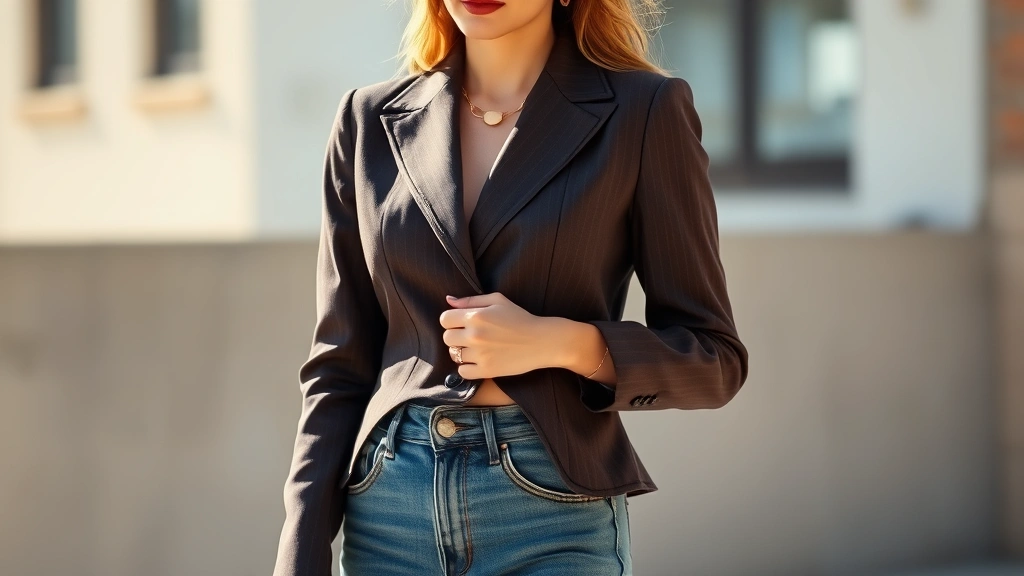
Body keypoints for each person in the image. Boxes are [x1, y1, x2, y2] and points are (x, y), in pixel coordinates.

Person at [273, 0, 749, 573]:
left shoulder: (644, 112)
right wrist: (299, 552)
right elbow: (338, 367)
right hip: (388, 509)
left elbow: (713, 359)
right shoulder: (367, 120)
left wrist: (561, 343)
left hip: (549, 514)